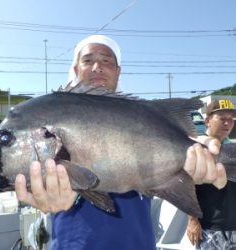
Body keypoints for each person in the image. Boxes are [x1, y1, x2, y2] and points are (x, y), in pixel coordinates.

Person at [15, 35, 227, 250]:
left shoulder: (144, 118)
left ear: (118, 71)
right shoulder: (48, 123)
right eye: (87, 61)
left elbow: (186, 142)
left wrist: (206, 151)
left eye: (106, 61)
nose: (97, 67)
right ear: (76, 69)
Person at [187, 99, 236, 250]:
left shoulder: (232, 148)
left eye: (231, 119)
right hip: (210, 228)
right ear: (207, 120)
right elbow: (186, 186)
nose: (227, 123)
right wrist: (192, 220)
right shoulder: (196, 147)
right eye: (222, 118)